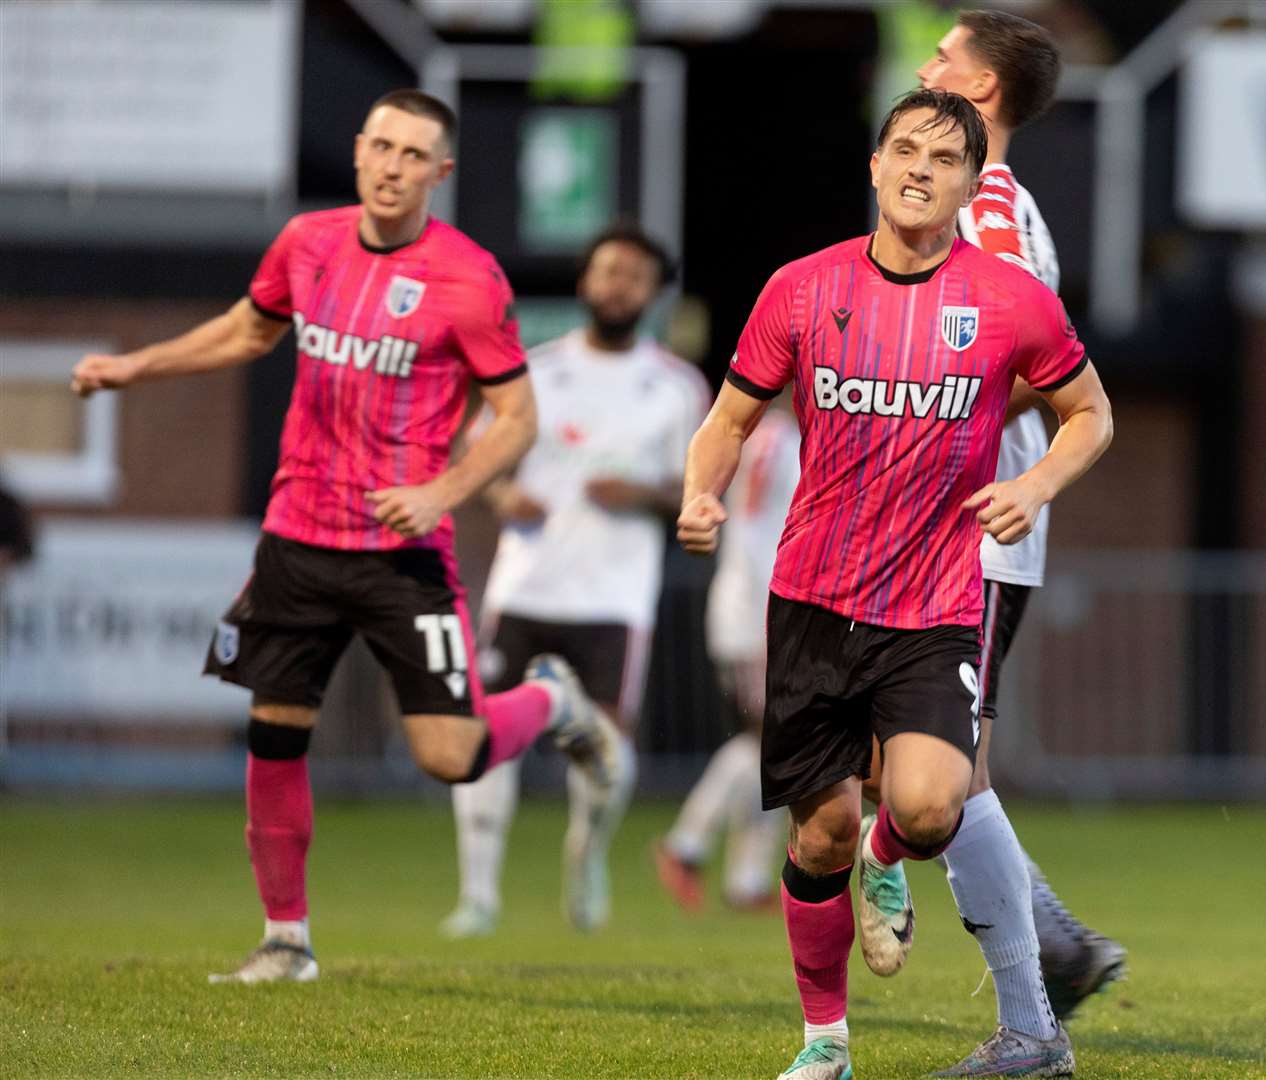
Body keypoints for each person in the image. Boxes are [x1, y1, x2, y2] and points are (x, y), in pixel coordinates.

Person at [70, 89, 613, 984]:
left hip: (401, 554)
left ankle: (553, 701)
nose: (394, 166)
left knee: (452, 756)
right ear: (359, 150)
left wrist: (441, 491)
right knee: (275, 732)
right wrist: (137, 365)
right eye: (382, 146)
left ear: (441, 172)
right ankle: (287, 940)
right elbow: (250, 328)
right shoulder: (307, 242)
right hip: (297, 536)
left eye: (415, 155)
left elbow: (518, 418)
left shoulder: (468, 278)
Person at [677, 88, 1112, 1080]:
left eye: (945, 157)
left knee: (927, 808)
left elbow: (1090, 412)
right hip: (813, 603)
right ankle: (826, 1042)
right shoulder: (800, 287)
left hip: (934, 607)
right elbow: (729, 419)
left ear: (969, 182)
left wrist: (1035, 484)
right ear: (874, 166)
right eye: (904, 150)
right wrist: (700, 494)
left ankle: (890, 857)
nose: (921, 168)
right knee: (818, 835)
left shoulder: (1006, 298)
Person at [913, 9, 1128, 1048]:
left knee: (941, 775)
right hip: (964, 527)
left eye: (946, 55)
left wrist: (922, 446)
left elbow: (1021, 363)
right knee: (932, 773)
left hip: (970, 526)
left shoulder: (988, 207)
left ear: (984, 90)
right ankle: (1054, 955)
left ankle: (1037, 1009)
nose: (925, 66)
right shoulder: (995, 201)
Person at [440, 224, 703, 936]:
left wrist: (648, 493)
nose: (618, 285)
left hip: (613, 597)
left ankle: (586, 851)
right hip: (525, 585)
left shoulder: (676, 387)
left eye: (634, 276)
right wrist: (499, 497)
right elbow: (476, 457)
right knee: (482, 734)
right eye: (608, 270)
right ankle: (478, 894)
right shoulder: (537, 369)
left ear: (651, 295)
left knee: (607, 750)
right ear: (586, 281)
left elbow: (704, 489)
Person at [655, 403, 801, 911]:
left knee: (776, 744)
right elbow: (766, 531)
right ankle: (687, 843)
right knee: (767, 739)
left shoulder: (766, 436)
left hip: (751, 604)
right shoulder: (783, 441)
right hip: (760, 607)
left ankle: (745, 879)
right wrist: (777, 612)